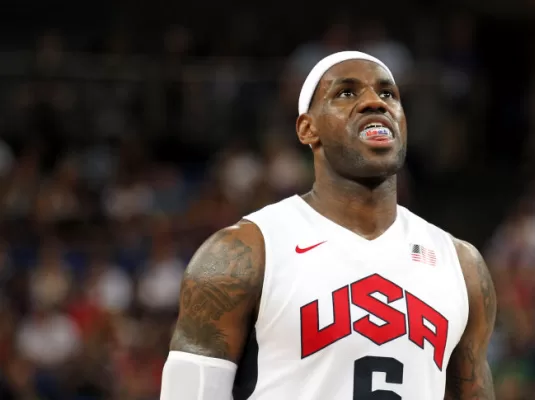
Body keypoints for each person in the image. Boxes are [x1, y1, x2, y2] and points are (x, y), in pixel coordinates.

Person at [160, 51, 497, 400]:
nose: (373, 102)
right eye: (347, 93)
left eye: (388, 94)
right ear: (308, 129)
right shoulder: (243, 252)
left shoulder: (461, 265)